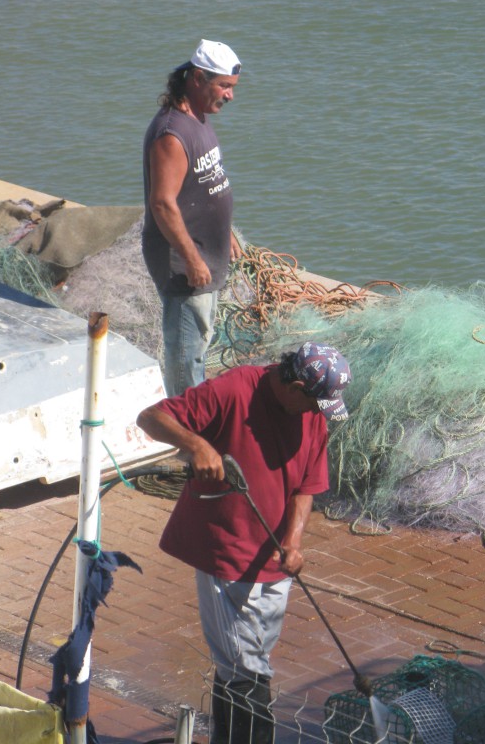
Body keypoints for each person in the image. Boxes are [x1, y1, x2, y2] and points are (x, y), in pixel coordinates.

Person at [136, 342, 352, 744]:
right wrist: (198, 444)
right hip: (224, 549)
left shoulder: (312, 414)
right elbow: (151, 417)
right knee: (246, 666)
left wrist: (293, 541)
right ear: (295, 386)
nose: (315, 413)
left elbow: (307, 485)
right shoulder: (236, 388)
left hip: (272, 562)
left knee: (242, 663)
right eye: (313, 403)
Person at [142, 38, 243, 397]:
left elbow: (207, 182)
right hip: (185, 264)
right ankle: (190, 438)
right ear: (198, 78)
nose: (230, 96)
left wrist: (225, 230)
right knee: (186, 356)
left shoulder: (197, 117)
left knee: (198, 343)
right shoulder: (171, 133)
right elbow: (163, 204)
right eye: (224, 87)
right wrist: (191, 257)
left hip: (205, 254)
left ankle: (194, 426)